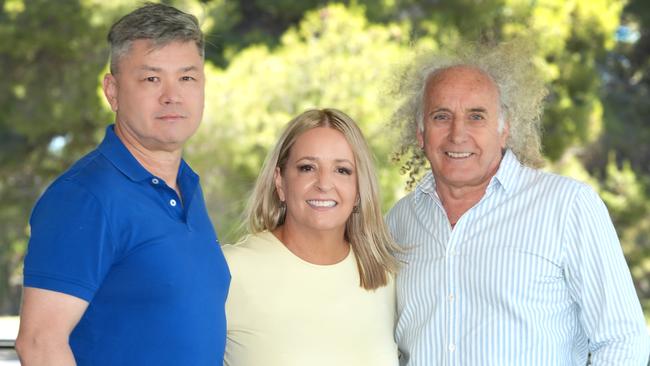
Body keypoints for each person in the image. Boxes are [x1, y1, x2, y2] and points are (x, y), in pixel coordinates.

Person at [386, 41, 650, 365]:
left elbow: (623, 342)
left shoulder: (568, 207)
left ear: (504, 129)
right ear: (421, 133)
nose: (458, 134)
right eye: (442, 116)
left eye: (476, 116)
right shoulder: (397, 223)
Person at [15, 3, 230, 366]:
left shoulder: (187, 187)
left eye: (187, 77)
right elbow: (39, 344)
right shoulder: (85, 197)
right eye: (151, 78)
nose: (172, 95)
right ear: (112, 91)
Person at [223, 108, 399, 366]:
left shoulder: (383, 277)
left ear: (359, 189)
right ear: (280, 182)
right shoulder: (231, 271)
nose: (324, 183)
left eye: (342, 170)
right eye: (307, 168)